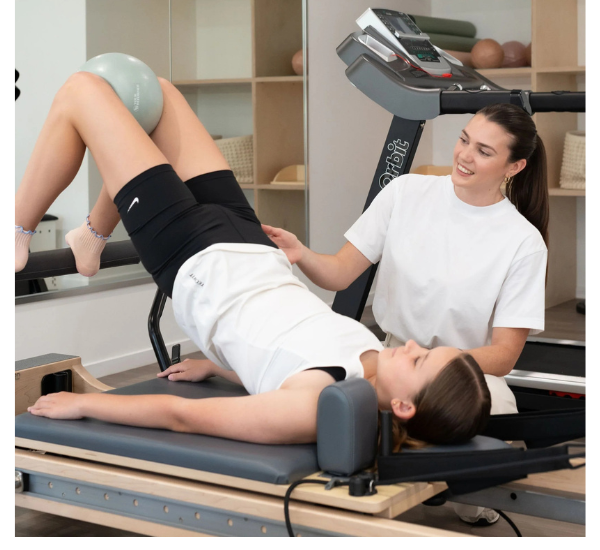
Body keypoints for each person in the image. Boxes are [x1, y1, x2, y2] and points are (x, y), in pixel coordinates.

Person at [18, 71, 490, 448]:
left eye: (420, 360)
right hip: (249, 238)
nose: (410, 345)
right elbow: (283, 351)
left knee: (83, 90)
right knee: (152, 93)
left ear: (405, 406)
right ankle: (92, 237)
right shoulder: (364, 366)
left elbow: (184, 416)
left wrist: (85, 406)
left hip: (192, 256)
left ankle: (17, 230)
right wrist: (223, 370)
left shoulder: (315, 404)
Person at [262, 104, 547, 522]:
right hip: (391, 358)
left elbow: (504, 355)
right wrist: (301, 254)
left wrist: (433, 369)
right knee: (320, 413)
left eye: (484, 151)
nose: (465, 156)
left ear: (515, 165)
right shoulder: (405, 192)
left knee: (475, 503)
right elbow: (341, 273)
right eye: (464, 139)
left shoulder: (523, 242)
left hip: (467, 377)